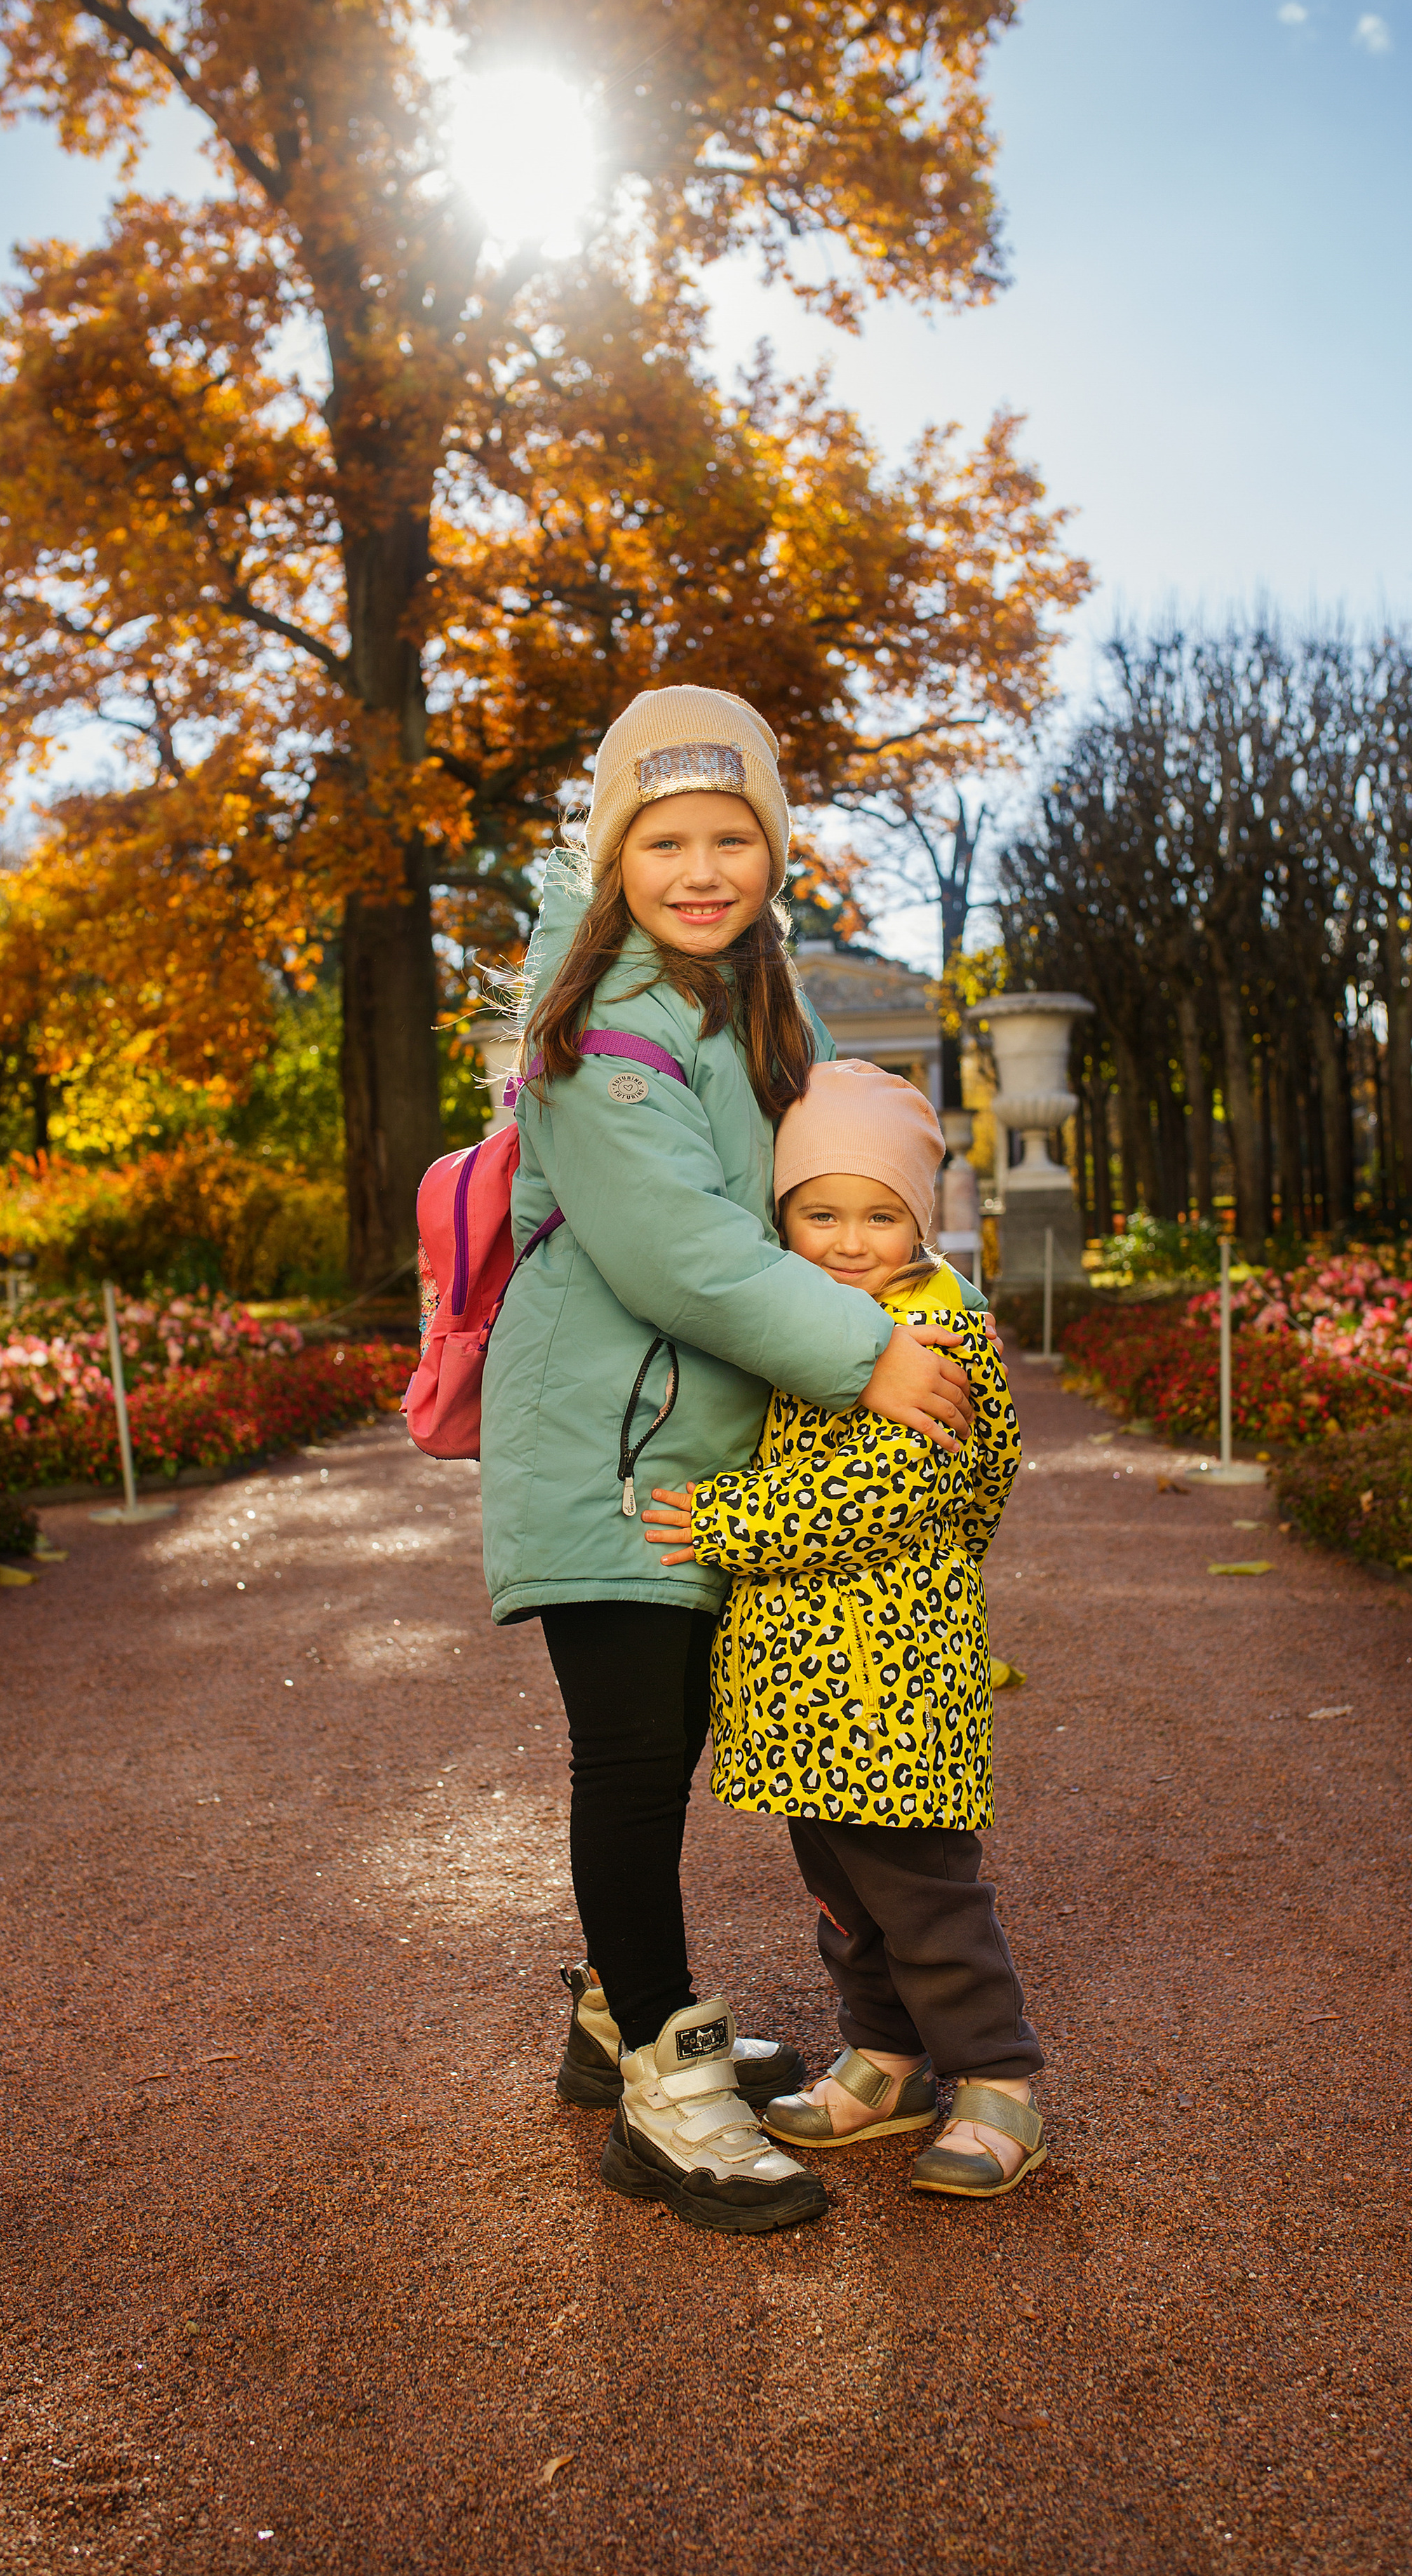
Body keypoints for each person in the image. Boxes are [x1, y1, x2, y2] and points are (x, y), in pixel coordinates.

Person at [479, 684, 976, 2237]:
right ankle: (665, 2090)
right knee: (631, 1766)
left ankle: (612, 2013)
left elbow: (833, 1169)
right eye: (664, 839)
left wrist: (918, 1291)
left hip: (719, 1455)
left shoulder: (766, 1003)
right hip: (609, 1454)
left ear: (772, 848)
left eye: (732, 838)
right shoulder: (598, 1030)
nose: (700, 870)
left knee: (681, 1746)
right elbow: (680, 1251)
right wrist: (869, 1357)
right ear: (613, 854)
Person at [640, 1058, 1048, 2200]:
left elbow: (885, 1490)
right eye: (821, 1213)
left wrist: (721, 1517)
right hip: (807, 1679)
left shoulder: (934, 1334)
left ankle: (999, 2078)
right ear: (784, 1216)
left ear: (922, 1220)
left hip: (889, 1672)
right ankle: (885, 2058)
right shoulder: (805, 1319)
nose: (851, 1239)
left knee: (921, 1891)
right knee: (843, 1890)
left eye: (882, 1215)